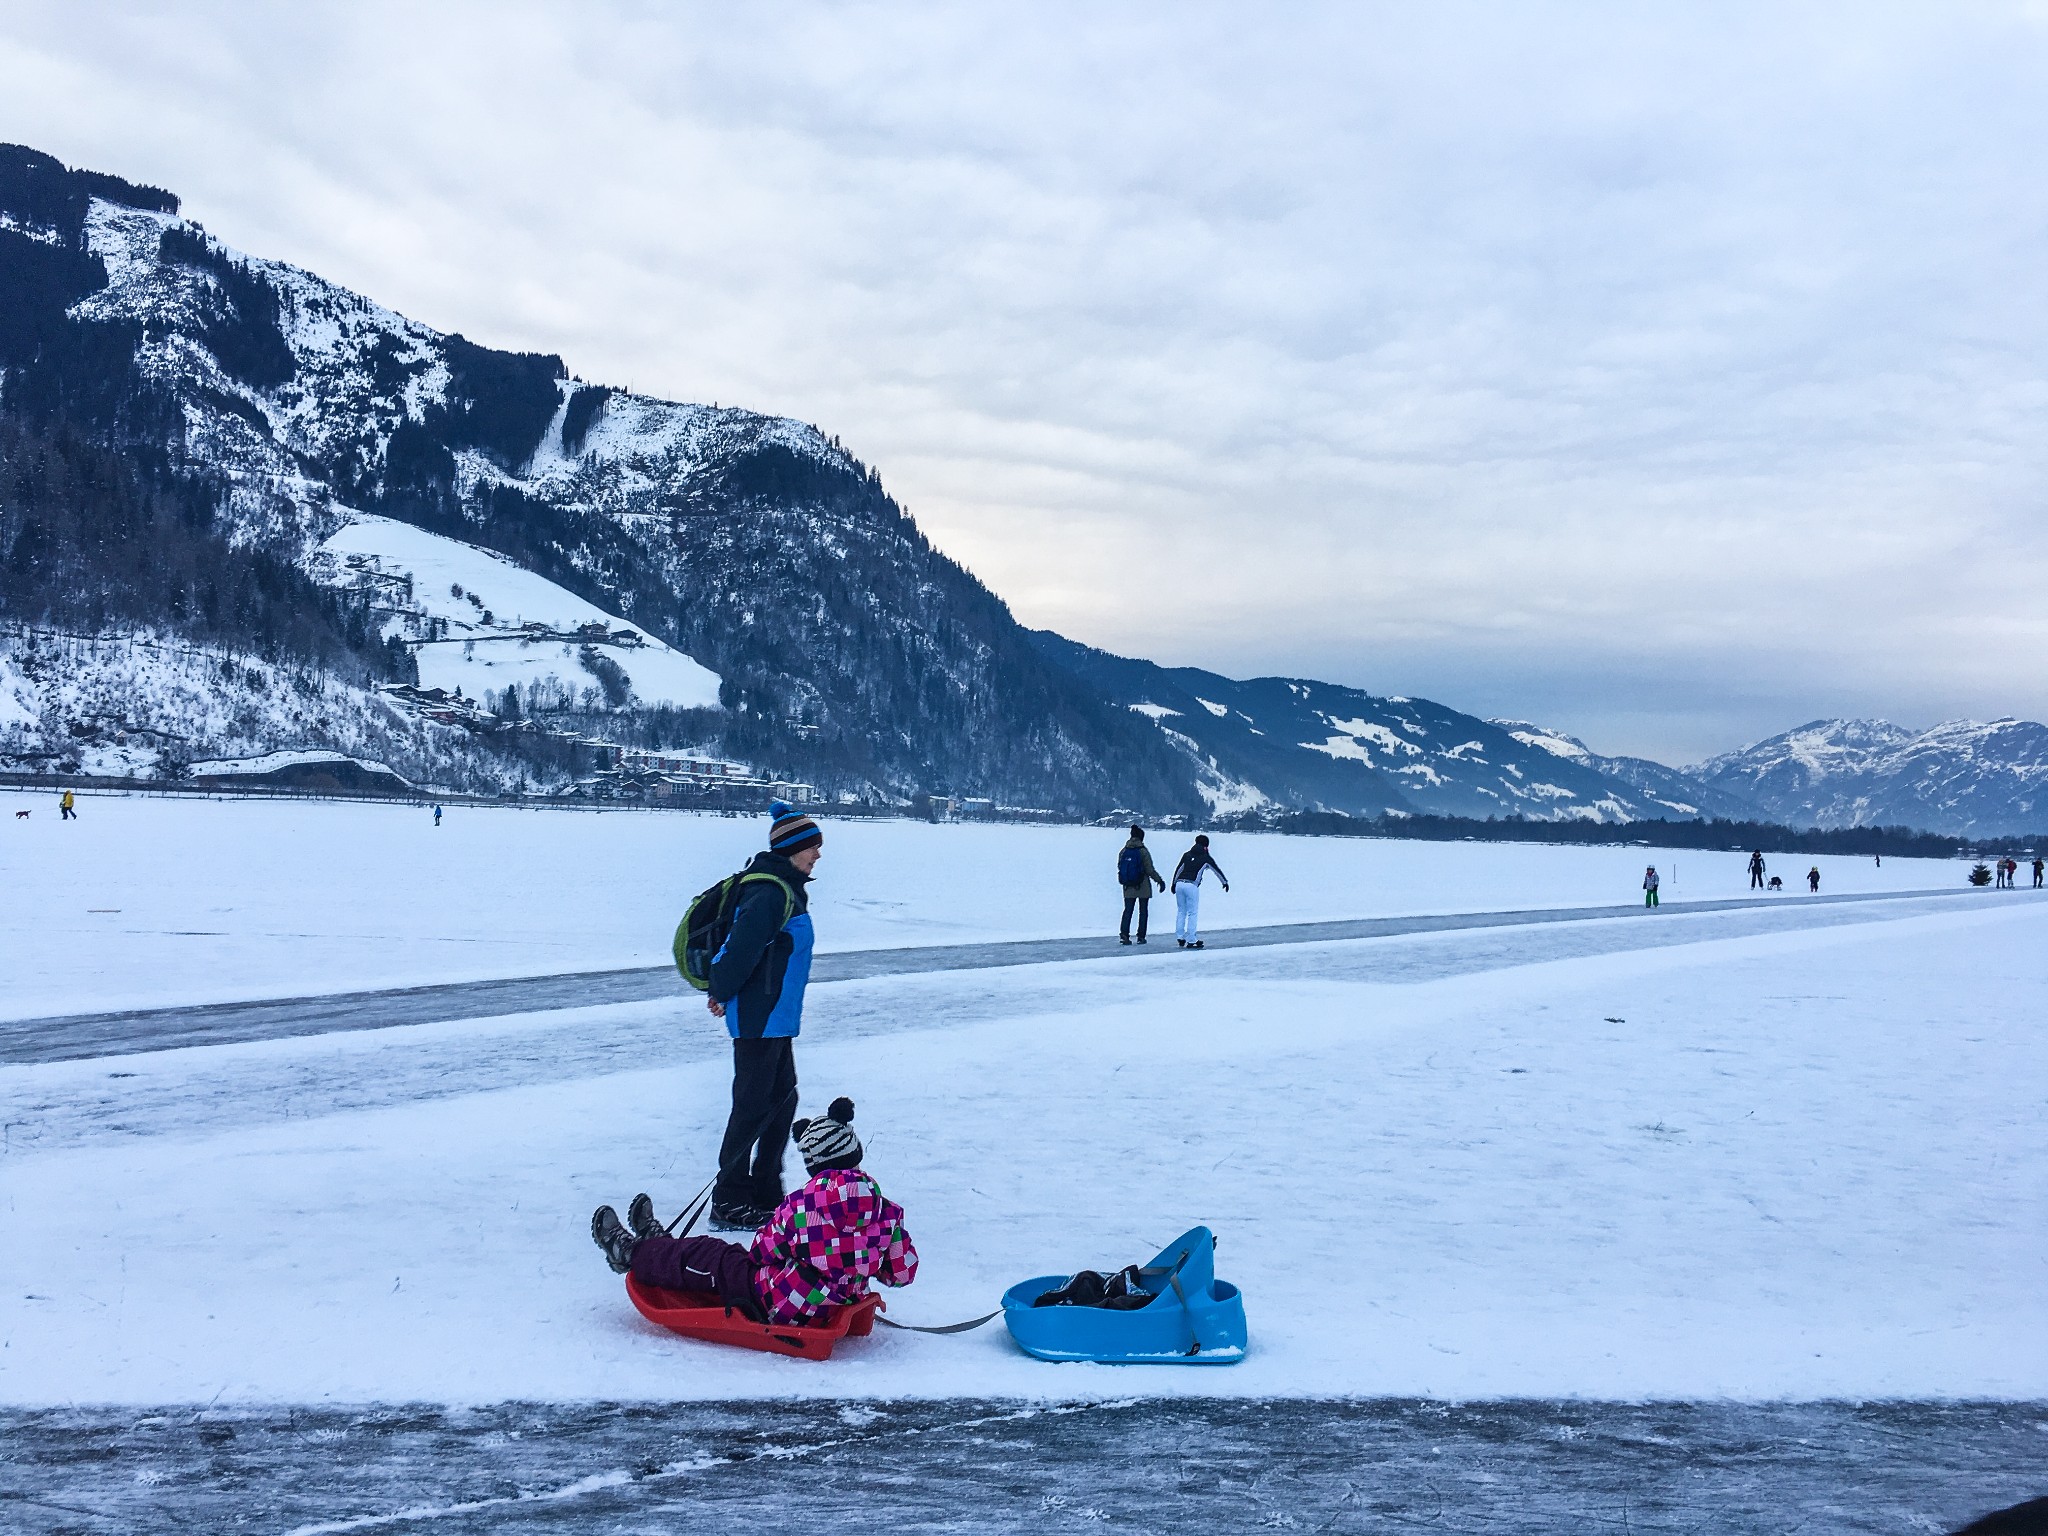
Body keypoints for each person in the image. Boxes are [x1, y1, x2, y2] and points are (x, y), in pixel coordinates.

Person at [592, 1096, 917, 1326]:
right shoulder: (887, 1212)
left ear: (813, 1165)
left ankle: (632, 1252)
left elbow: (762, 1252)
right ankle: (659, 1245)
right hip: (844, 1303)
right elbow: (902, 1273)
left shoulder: (802, 1207)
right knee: (718, 1256)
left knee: (712, 1255)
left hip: (784, 1302)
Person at [704, 800, 822, 1230]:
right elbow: (741, 949)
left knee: (781, 1101)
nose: (818, 855)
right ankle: (730, 1200)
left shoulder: (786, 889)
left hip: (777, 1018)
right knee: (753, 1107)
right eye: (813, 847)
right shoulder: (769, 892)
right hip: (760, 1018)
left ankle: (766, 1190)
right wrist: (721, 989)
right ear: (793, 848)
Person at [1170, 834, 1230, 949]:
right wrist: (1225, 882)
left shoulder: (1186, 855)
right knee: (1192, 912)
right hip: (1191, 885)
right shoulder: (1205, 858)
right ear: (1206, 846)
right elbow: (1216, 870)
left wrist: (1173, 884)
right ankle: (1191, 939)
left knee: (1181, 911)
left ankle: (1180, 937)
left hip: (1179, 884)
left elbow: (1179, 869)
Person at [1117, 824, 1165, 945]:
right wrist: (1159, 880)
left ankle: (1124, 935)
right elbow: (1149, 869)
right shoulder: (1143, 851)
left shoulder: (1124, 851)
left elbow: (1120, 866)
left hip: (1128, 885)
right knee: (1143, 911)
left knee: (1128, 910)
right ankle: (1141, 936)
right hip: (1142, 885)